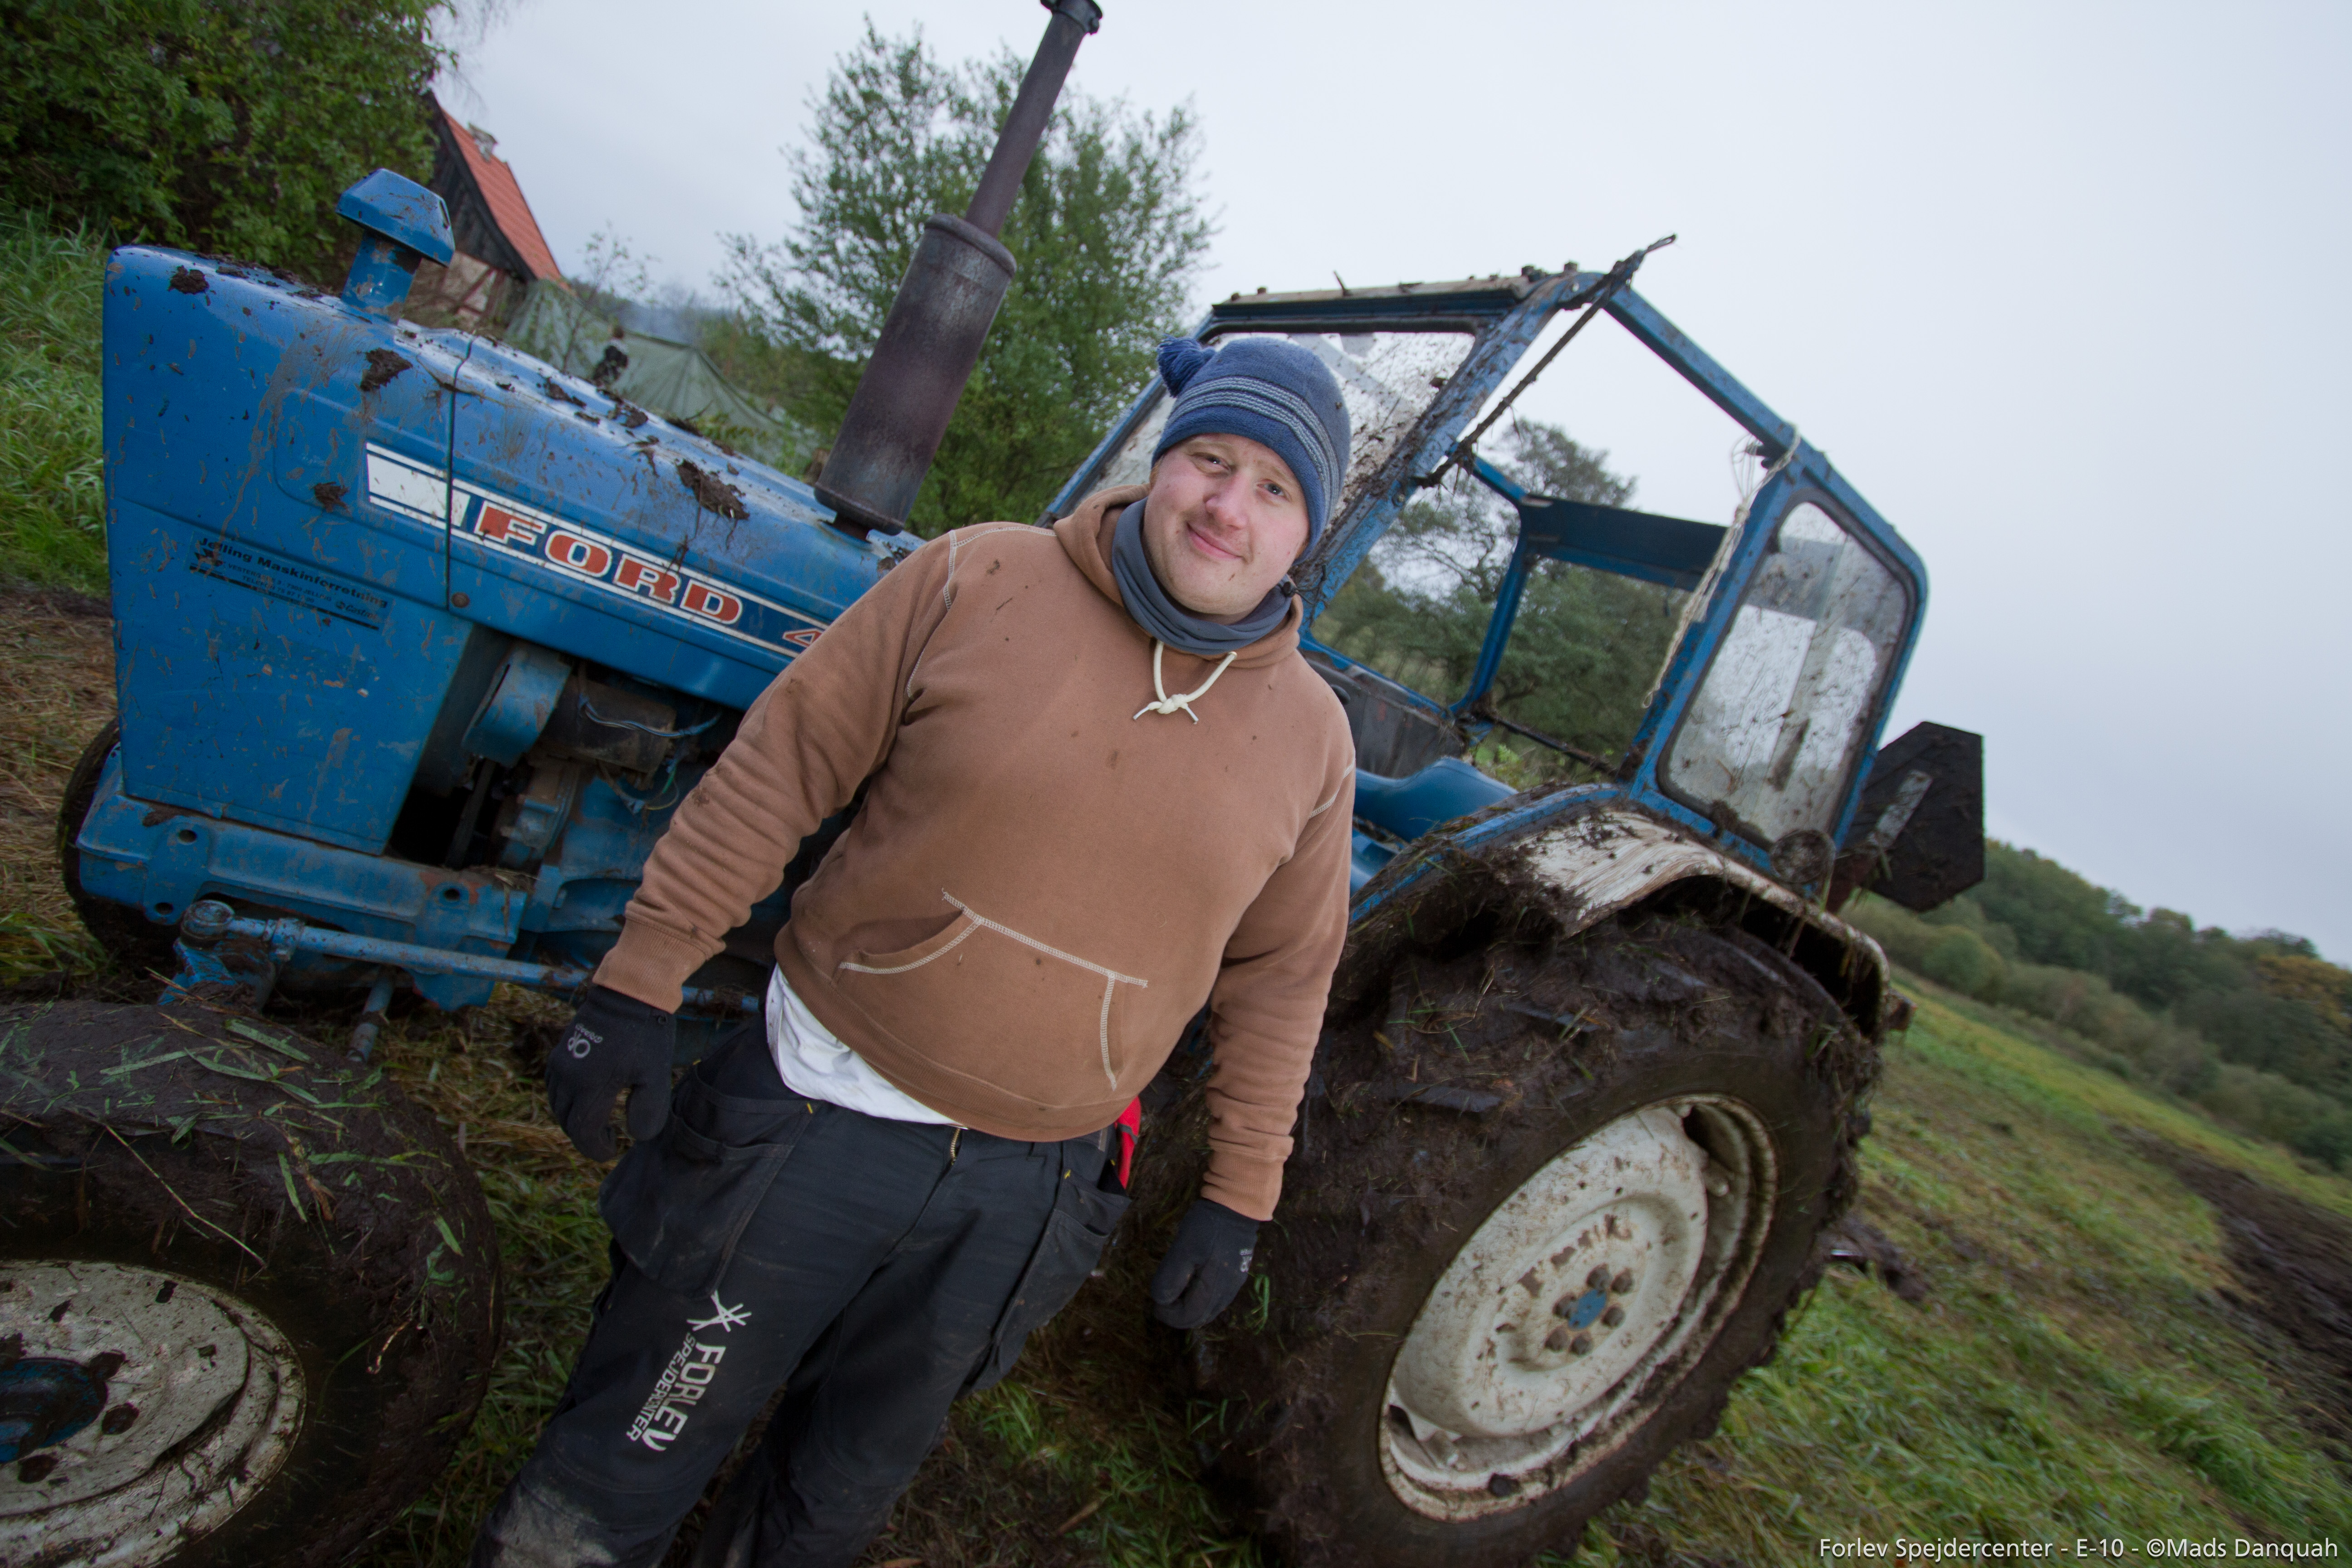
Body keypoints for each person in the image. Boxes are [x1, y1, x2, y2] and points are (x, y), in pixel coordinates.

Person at [470, 334, 1356, 1568]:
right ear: (1163, 463)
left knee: (827, 1510)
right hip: (815, 1116)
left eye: (1275, 488)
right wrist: (637, 983)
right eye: (1211, 460)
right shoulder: (977, 577)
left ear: (1306, 532)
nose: (1229, 507)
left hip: (1024, 1198)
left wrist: (1240, 1194)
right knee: (624, 1464)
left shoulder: (1313, 741)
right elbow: (781, 769)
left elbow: (1284, 979)